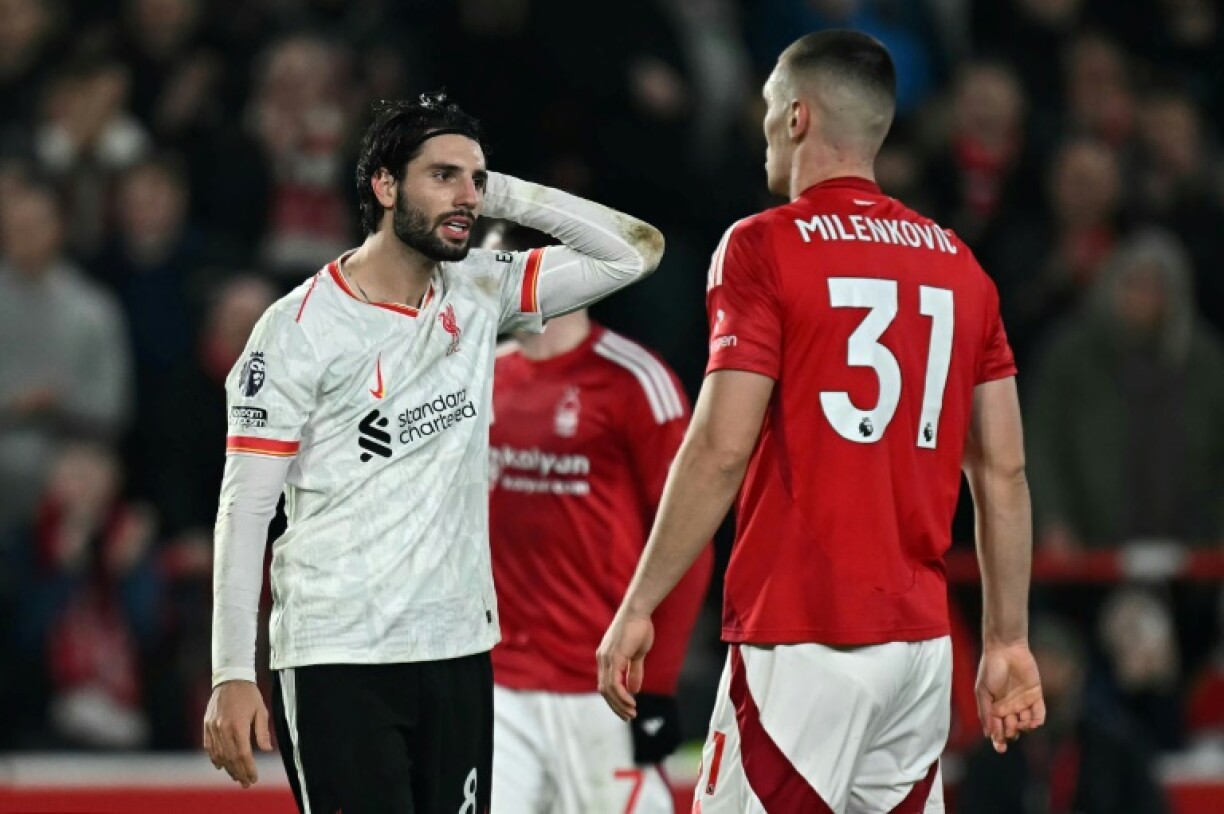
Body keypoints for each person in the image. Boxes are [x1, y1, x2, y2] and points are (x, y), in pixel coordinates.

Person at [597, 30, 1045, 813]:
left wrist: (643, 604)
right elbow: (1002, 470)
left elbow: (719, 446)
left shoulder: (762, 247)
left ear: (797, 116)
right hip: (917, 655)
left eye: (771, 108)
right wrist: (1007, 639)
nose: (764, 125)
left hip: (802, 639)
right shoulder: (960, 266)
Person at [202, 92, 665, 814]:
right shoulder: (295, 330)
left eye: (476, 181)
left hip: (457, 649)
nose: (467, 197)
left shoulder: (482, 290)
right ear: (384, 186)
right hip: (338, 652)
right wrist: (232, 669)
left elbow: (634, 251)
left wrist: (502, 189)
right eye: (443, 176)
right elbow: (247, 507)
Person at [486, 225, 713, 813]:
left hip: (606, 689)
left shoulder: (636, 381)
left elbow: (690, 542)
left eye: (497, 264)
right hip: (497, 686)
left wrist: (657, 685)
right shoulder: (478, 380)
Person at [957, 615, 1168, 814]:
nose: (1046, 681)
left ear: (1078, 675)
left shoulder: (1118, 751)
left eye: (1056, 667)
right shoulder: (990, 759)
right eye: (1036, 669)